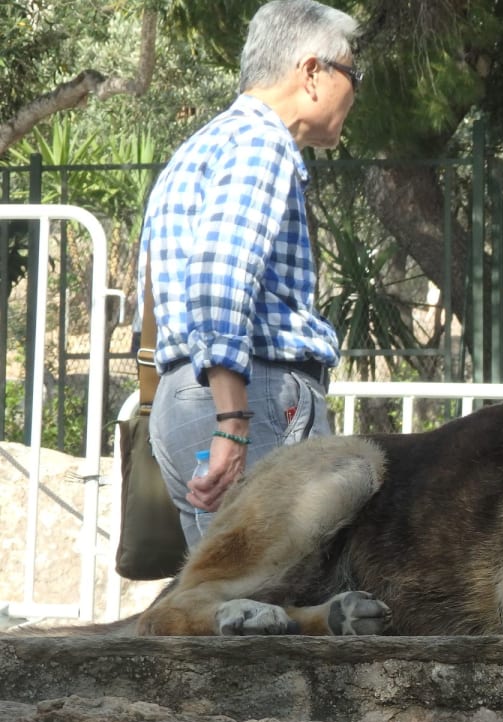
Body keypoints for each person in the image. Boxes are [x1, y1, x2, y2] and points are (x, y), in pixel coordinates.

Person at [138, 0, 361, 547]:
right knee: (277, 592)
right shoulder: (263, 141)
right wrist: (233, 420)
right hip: (249, 397)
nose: (357, 93)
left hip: (188, 393)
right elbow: (219, 272)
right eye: (354, 75)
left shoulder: (201, 146)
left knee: (228, 602)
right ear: (313, 72)